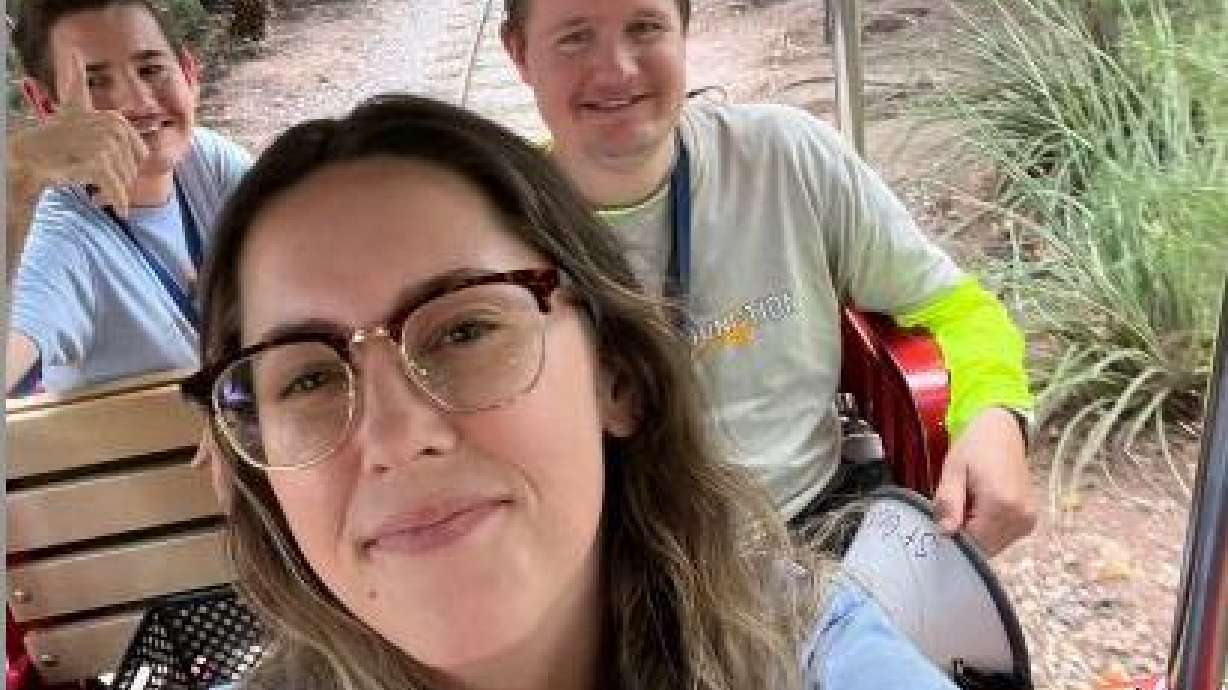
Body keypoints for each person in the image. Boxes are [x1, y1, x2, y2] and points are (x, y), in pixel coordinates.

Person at [181, 94, 960, 690]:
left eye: (464, 331)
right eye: (308, 377)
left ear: (615, 377)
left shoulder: (809, 650)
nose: (395, 437)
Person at [500, 0, 1036, 555]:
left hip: (814, 534)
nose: (616, 69)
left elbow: (957, 308)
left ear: (683, 31)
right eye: (574, 38)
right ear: (519, 52)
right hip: (613, 568)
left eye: (644, 27)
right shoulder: (487, 225)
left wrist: (995, 414)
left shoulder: (787, 160)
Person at [6, 0, 252, 396]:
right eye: (94, 82)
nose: (136, 104)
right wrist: (16, 174)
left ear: (188, 72)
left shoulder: (208, 163)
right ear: (44, 105)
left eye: (151, 70)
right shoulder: (59, 237)